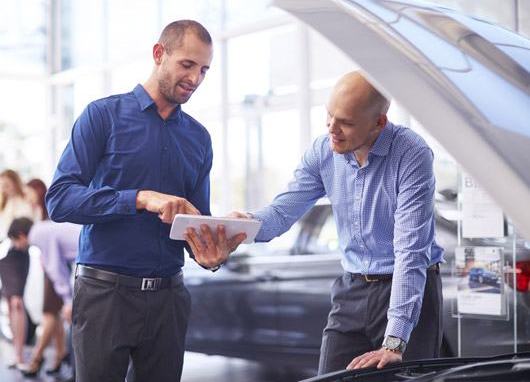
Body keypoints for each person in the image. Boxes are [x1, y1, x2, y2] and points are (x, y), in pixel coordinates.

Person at [185, 71, 444, 373]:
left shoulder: (411, 153)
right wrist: (245, 224)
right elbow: (282, 213)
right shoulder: (324, 152)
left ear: (379, 123)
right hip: (353, 289)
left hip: (409, 288)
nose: (332, 128)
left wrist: (395, 340)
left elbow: (410, 252)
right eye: (329, 115)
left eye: (346, 122)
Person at [45, 20, 245, 382]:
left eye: (204, 70)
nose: (195, 79)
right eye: (187, 65)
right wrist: (139, 198)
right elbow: (60, 199)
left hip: (170, 299)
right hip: (106, 294)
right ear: (159, 54)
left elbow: (194, 223)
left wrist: (212, 252)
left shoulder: (199, 139)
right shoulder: (102, 116)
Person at [20, 179, 71, 378]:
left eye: (28, 192)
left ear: (38, 191)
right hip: (49, 265)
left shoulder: (49, 208)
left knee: (49, 313)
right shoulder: (35, 212)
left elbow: (53, 250)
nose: (27, 197)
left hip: (56, 264)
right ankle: (59, 354)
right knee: (53, 312)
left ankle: (36, 358)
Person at [0, 169, 33, 370]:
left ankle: (21, 354)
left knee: (18, 302)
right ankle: (15, 352)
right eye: (1, 185)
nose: (4, 188)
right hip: (3, 256)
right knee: (9, 303)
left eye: (7, 184)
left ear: (14, 182)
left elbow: (30, 228)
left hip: (19, 255)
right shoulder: (2, 206)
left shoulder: (25, 202)